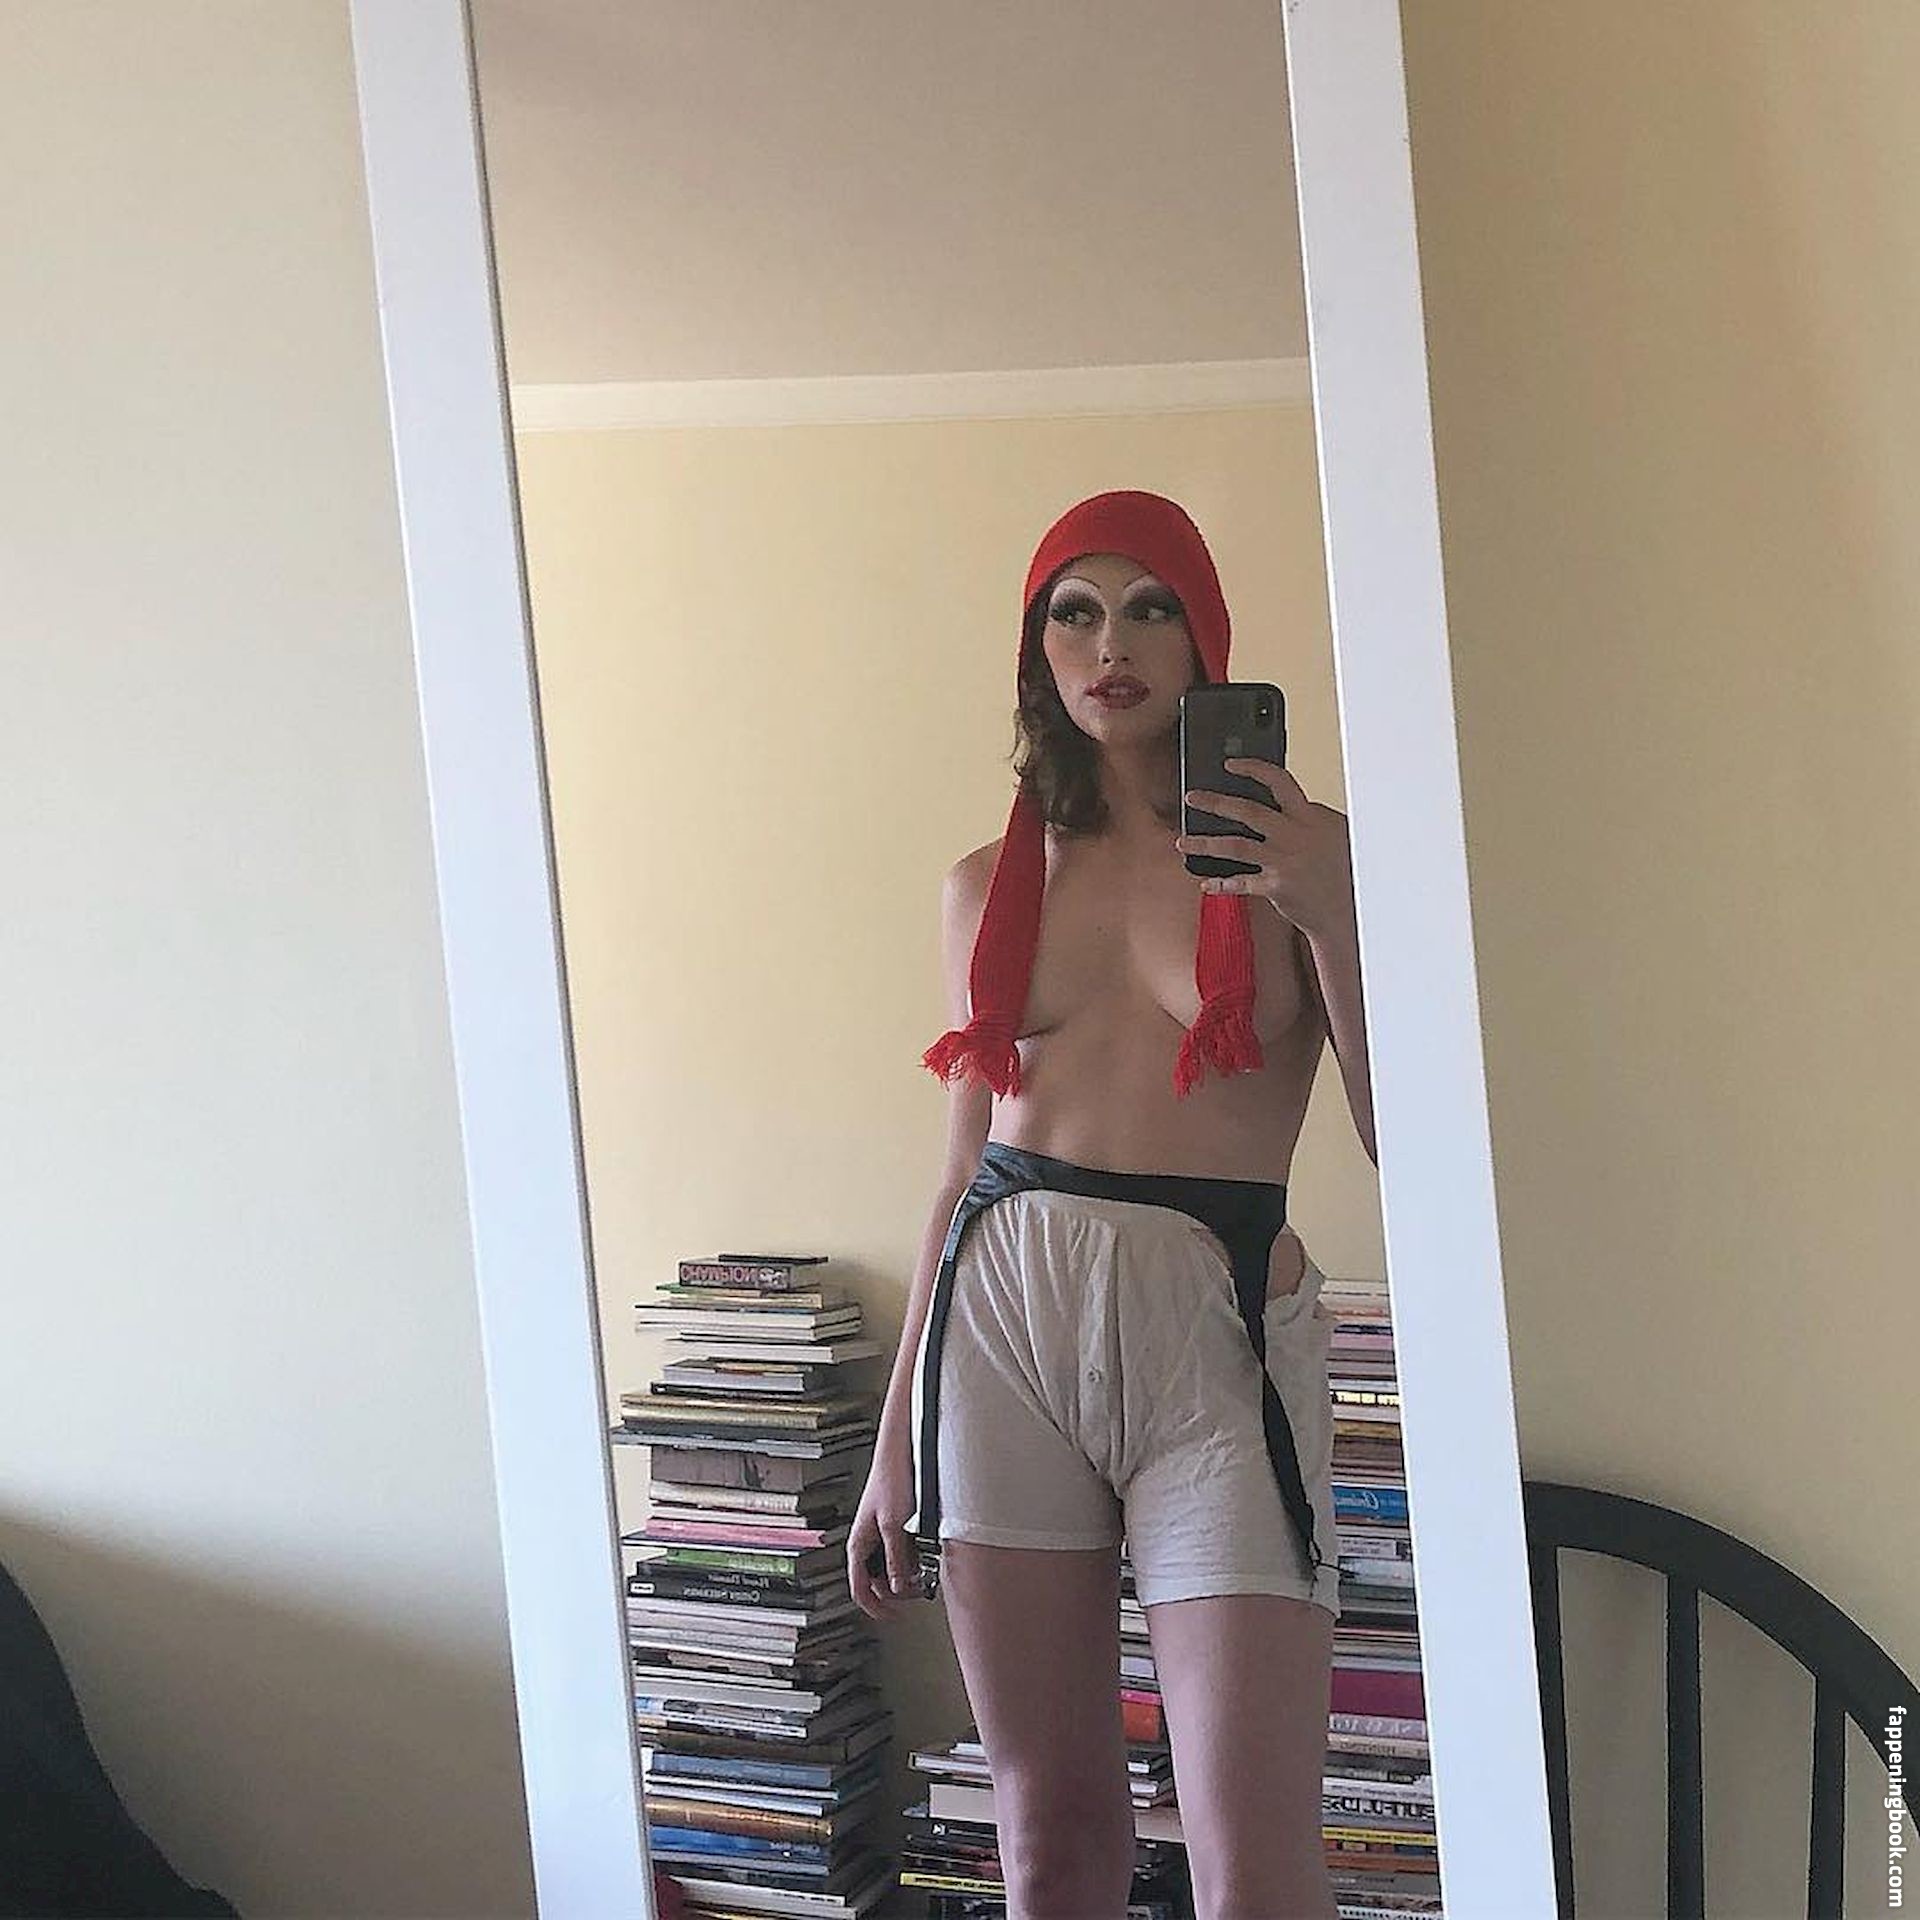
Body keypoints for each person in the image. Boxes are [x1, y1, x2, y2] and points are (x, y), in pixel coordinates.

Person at [847, 489, 1377, 1920]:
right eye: (1073, 612)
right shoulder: (986, 885)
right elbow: (959, 1169)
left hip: (1219, 1325)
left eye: (1151, 607)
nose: (1110, 643)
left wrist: (1332, 909)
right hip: (1001, 1322)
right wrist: (894, 1445)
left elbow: (1409, 1139)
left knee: (1254, 1860)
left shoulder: (1304, 858)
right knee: (1051, 1837)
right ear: (1039, 649)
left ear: (1206, 641)